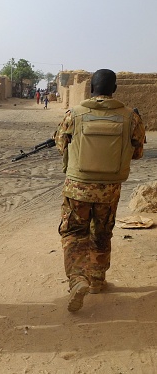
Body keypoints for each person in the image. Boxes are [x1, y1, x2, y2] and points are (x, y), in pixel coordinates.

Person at [54, 69, 145, 313]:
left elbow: (61, 145)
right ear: (114, 89)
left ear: (91, 88)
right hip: (109, 190)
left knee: (74, 233)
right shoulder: (130, 118)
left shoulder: (74, 114)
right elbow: (137, 153)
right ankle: (96, 280)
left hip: (77, 188)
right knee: (102, 233)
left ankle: (77, 279)